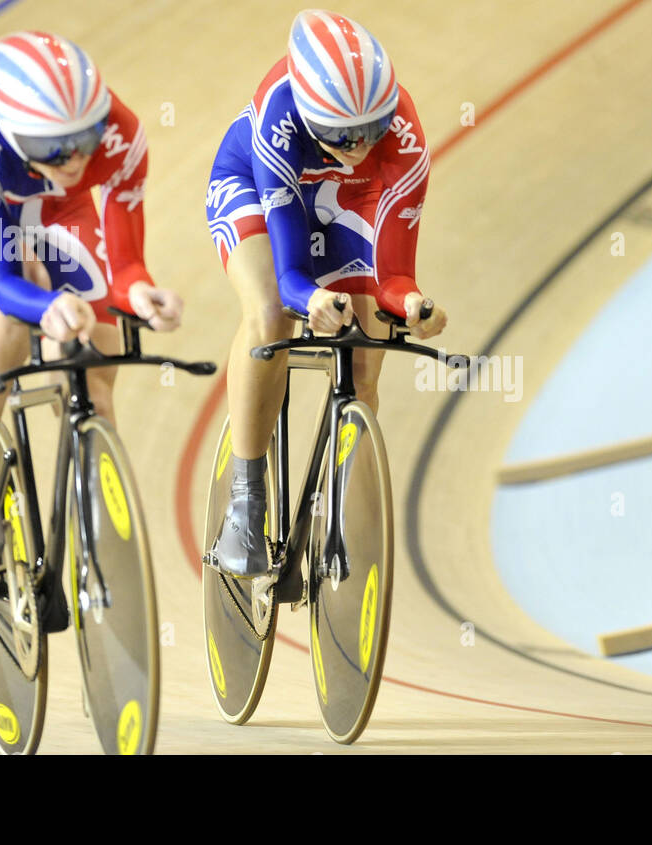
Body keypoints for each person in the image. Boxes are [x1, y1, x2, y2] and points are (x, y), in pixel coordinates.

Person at [0, 31, 183, 618]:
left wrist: (141, 293)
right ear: (12, 131)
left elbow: (125, 263)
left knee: (96, 342)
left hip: (58, 211)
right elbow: (5, 280)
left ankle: (96, 492)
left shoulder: (120, 133)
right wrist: (42, 306)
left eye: (82, 140)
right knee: (9, 311)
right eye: (55, 149)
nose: (76, 159)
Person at [205, 9, 446, 583]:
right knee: (269, 313)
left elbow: (394, 274)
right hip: (257, 189)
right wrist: (309, 297)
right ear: (315, 120)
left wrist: (411, 304)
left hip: (348, 198)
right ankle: (246, 500)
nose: (362, 143)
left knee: (365, 363)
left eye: (374, 128)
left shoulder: (403, 140)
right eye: (344, 135)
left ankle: (337, 516)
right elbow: (290, 272)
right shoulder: (278, 119)